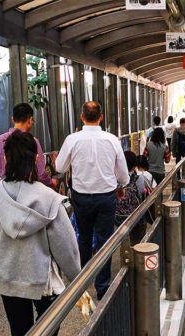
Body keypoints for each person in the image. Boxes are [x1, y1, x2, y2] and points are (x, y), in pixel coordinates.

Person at [0, 132, 81, 336]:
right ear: (36, 159)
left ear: (6, 159)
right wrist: (77, 278)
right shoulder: (50, 199)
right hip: (42, 281)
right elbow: (66, 249)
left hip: (7, 277)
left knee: (20, 333)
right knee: (49, 325)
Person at [54, 101, 129, 300]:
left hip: (81, 198)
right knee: (105, 241)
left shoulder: (72, 139)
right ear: (101, 117)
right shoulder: (112, 140)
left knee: (84, 239)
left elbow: (60, 167)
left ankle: (82, 283)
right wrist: (121, 185)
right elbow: (123, 174)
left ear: (81, 117)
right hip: (106, 197)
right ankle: (102, 287)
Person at [0, 103, 55, 189]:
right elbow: (41, 175)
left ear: (13, 119)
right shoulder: (33, 142)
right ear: (30, 120)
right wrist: (51, 183)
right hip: (28, 194)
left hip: (5, 194)